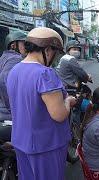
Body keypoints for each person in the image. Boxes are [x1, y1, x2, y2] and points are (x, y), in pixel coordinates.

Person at [6, 27, 76, 180]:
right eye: (56, 53)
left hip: (21, 142)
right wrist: (68, 101)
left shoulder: (15, 70)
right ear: (48, 49)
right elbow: (59, 115)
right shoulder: (44, 74)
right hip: (46, 146)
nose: (55, 57)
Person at [0, 31, 27, 142]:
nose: (27, 47)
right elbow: (4, 82)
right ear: (13, 45)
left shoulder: (3, 58)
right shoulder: (15, 59)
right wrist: (13, 108)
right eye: (24, 43)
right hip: (8, 116)